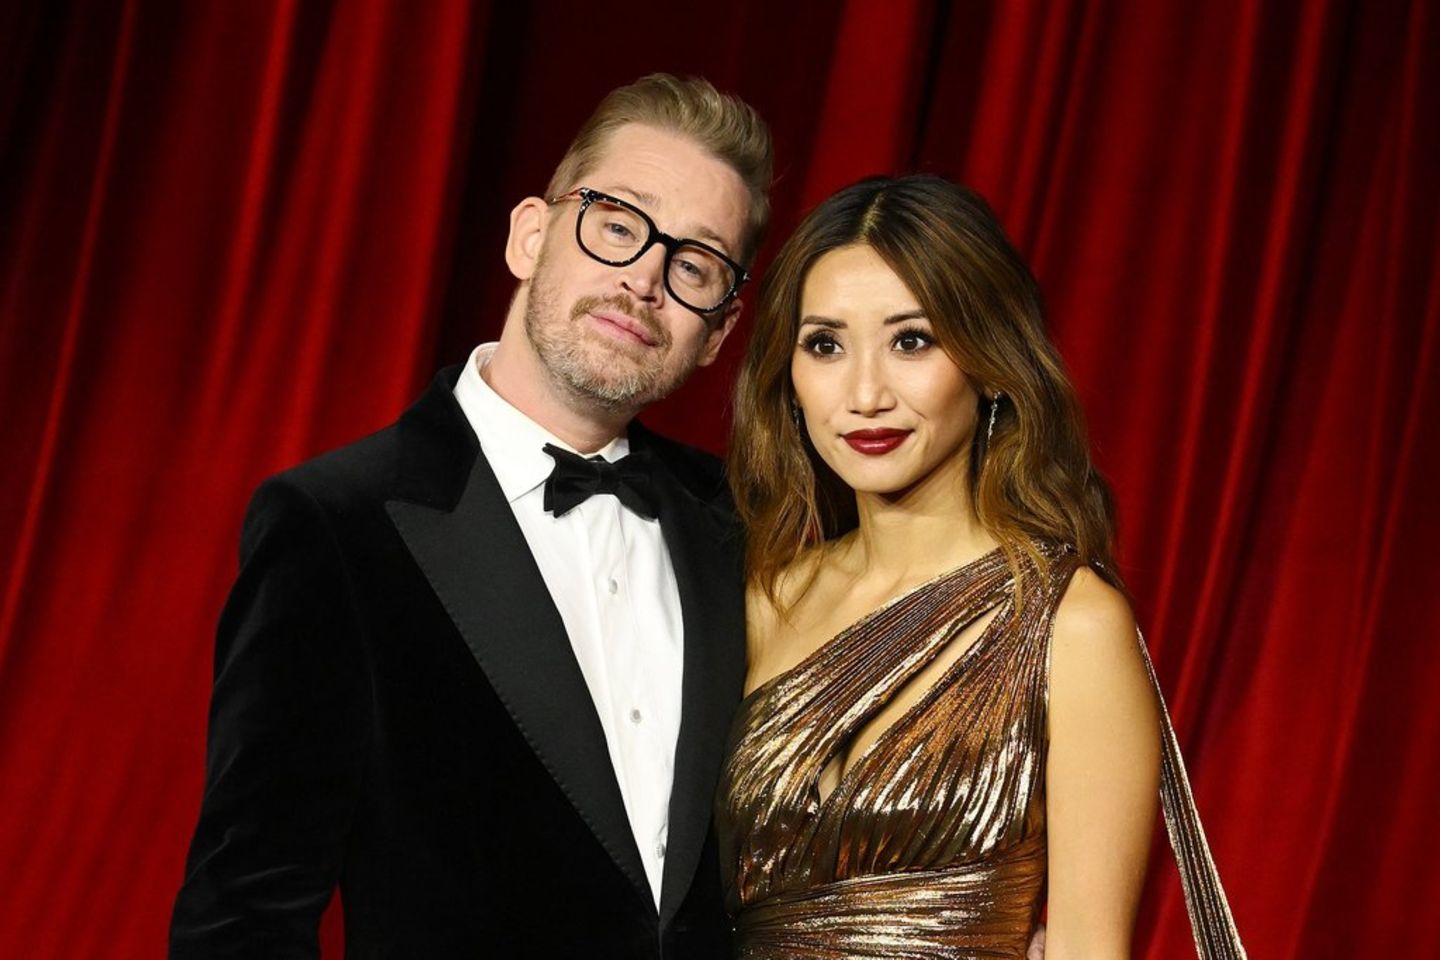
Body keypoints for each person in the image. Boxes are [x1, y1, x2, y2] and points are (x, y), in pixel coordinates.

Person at [170, 74, 771, 959]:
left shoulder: (746, 524)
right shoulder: (335, 525)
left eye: (694, 264)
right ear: (531, 235)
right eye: (617, 225)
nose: (644, 278)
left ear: (718, 330)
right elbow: (244, 917)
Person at [719, 175, 1245, 959]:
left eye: (912, 340)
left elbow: (1088, 949)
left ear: (991, 361)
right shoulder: (764, 597)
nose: (864, 394)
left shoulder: (1070, 621)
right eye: (825, 344)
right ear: (788, 378)